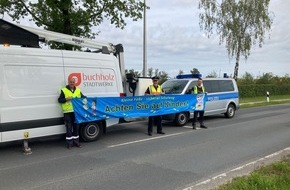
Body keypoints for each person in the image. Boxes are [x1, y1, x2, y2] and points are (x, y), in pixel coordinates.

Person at [58, 77, 86, 149]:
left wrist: (90, 99)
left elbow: (83, 98)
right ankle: (69, 144)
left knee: (76, 127)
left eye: (73, 82)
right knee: (69, 128)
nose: (72, 83)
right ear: (68, 82)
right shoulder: (64, 90)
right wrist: (66, 99)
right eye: (70, 82)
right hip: (67, 112)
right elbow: (60, 100)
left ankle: (76, 142)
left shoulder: (78, 90)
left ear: (75, 83)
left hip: (76, 112)